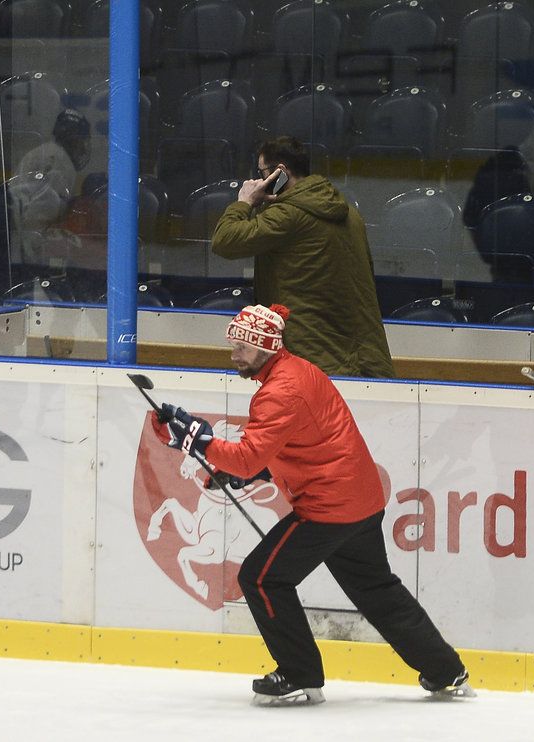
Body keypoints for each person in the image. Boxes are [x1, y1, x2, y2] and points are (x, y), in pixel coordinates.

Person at [151, 303, 470, 706]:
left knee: (261, 578)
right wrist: (253, 473)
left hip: (329, 508)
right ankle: (446, 671)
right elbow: (307, 444)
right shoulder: (299, 371)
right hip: (361, 499)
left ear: (265, 347)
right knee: (377, 589)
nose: (233, 355)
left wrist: (198, 442)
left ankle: (300, 675)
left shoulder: (279, 392)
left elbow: (250, 454)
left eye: (241, 348)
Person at [210, 136, 395, 379]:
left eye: (263, 173)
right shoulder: (350, 214)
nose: (259, 181)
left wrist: (245, 202)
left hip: (312, 357)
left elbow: (225, 241)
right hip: (363, 357)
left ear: (280, 173)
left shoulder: (288, 215)